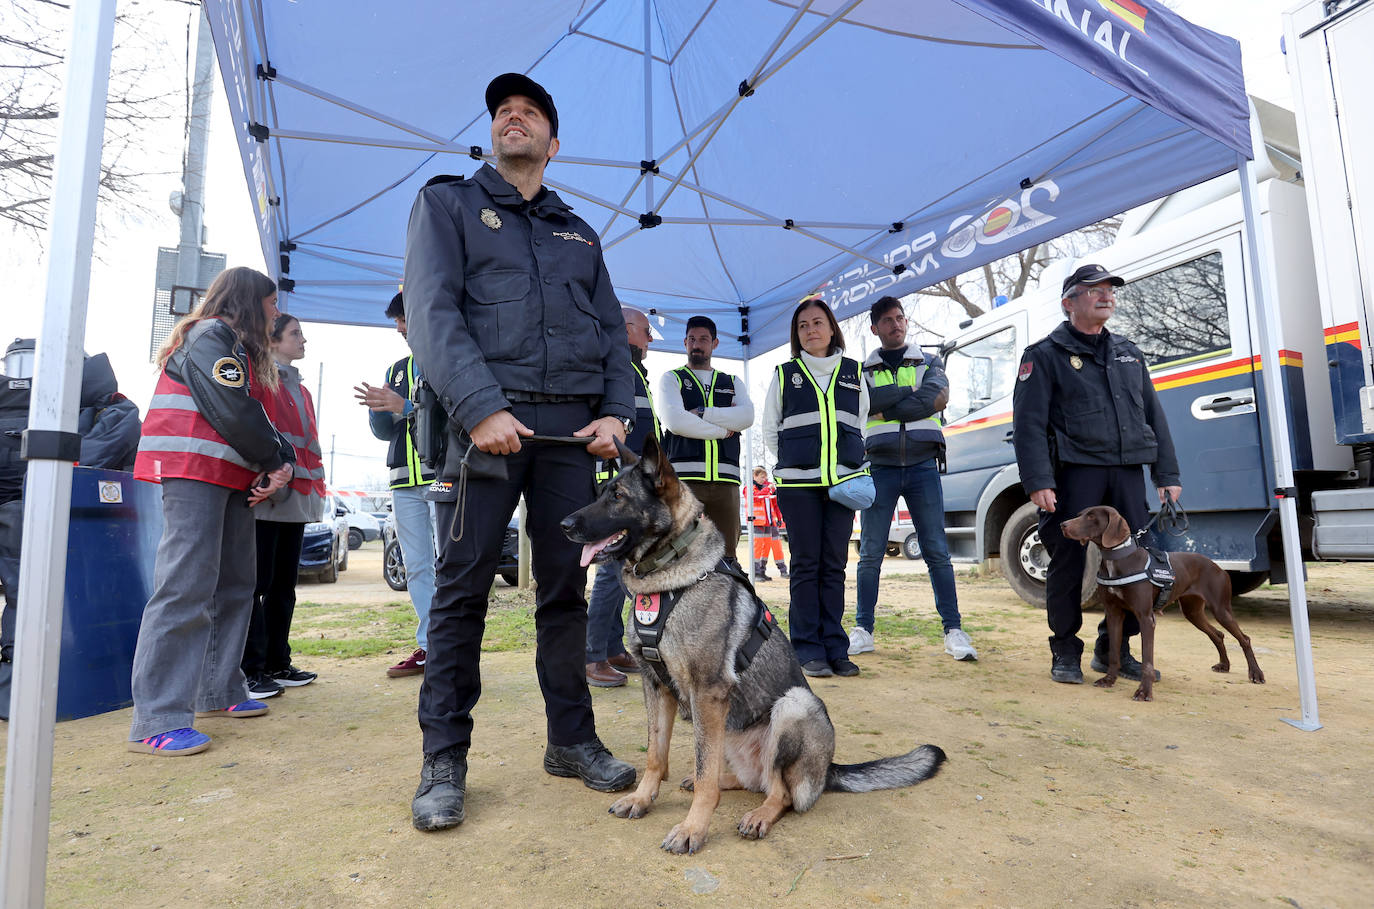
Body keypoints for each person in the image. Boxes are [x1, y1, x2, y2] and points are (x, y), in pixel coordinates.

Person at [403, 72, 637, 831]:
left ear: (552, 143)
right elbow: (433, 311)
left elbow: (610, 335)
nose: (515, 116)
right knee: (463, 590)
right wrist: (477, 408)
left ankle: (571, 740)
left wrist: (614, 413)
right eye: (504, 110)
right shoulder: (448, 205)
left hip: (572, 436)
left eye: (531, 112)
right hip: (487, 433)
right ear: (492, 132)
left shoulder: (581, 232)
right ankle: (444, 758)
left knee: (566, 590)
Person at [127, 267, 295, 755]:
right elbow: (232, 410)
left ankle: (217, 691)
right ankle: (156, 717)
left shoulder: (233, 347)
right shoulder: (209, 335)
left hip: (227, 476)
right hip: (194, 471)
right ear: (247, 300)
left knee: (234, 585)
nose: (276, 311)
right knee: (184, 587)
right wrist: (276, 460)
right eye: (270, 302)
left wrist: (274, 461)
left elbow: (248, 412)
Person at [1012, 263, 1182, 684]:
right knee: (1068, 561)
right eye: (1094, 290)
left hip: (1126, 474)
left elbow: (1153, 415)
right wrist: (1038, 481)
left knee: (1131, 564)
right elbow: (1029, 423)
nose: (1105, 295)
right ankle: (1065, 652)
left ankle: (1114, 651)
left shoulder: (1128, 352)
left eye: (1109, 289)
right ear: (1069, 302)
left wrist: (1167, 473)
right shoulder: (1044, 355)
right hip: (1074, 474)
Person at [1, 343, 142, 719]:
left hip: (64, 519)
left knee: (32, 599)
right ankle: (22, 690)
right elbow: (93, 457)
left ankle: (20, 689)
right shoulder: (110, 409)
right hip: (77, 522)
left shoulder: (105, 409)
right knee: (35, 599)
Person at [852, 296, 977, 661]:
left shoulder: (931, 361)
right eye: (888, 320)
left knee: (937, 551)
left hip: (923, 465)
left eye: (900, 318)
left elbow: (936, 398)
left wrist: (886, 402)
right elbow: (862, 405)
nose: (897, 324)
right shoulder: (862, 372)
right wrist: (908, 394)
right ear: (875, 328)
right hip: (880, 467)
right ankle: (863, 630)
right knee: (870, 552)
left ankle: (954, 630)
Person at [762, 296, 868, 679]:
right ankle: (808, 649)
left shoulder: (854, 372)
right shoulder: (784, 373)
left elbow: (862, 426)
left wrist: (848, 465)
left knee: (834, 566)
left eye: (817, 322)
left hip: (841, 485)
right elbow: (771, 430)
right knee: (805, 566)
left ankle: (836, 648)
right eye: (803, 325)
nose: (810, 330)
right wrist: (793, 464)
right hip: (798, 486)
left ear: (831, 327)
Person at [241, 313, 324, 700]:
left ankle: (277, 662)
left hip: (296, 499)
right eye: (295, 334)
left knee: (283, 587)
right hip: (270, 496)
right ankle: (251, 669)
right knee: (258, 584)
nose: (303, 341)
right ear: (272, 340)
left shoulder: (300, 390)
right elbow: (259, 434)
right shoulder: (261, 380)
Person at [354, 292, 437, 679]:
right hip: (403, 481)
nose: (399, 328)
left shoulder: (448, 357)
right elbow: (384, 431)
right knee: (417, 567)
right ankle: (428, 646)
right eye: (396, 322)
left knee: (451, 566)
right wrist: (379, 410)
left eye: (402, 319)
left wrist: (405, 406)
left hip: (444, 477)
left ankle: (453, 645)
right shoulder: (397, 368)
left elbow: (452, 414)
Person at [584, 307, 657, 688]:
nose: (650, 340)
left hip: (630, 487)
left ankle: (611, 647)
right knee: (612, 574)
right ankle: (592, 656)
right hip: (615, 486)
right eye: (646, 332)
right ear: (628, 330)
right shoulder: (613, 369)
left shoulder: (634, 374)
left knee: (614, 567)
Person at [657, 316, 754, 557]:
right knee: (679, 554)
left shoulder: (731, 382)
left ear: (715, 343)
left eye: (703, 339)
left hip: (727, 482)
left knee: (726, 555)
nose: (696, 344)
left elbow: (746, 417)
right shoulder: (672, 378)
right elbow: (676, 422)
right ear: (684, 343)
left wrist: (702, 413)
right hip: (684, 483)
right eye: (691, 339)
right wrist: (723, 430)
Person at [745, 466, 787, 582]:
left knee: (765, 548)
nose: (764, 479)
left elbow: (775, 505)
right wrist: (767, 489)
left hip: (768, 522)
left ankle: (762, 571)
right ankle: (756, 573)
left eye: (765, 477)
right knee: (757, 548)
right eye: (762, 477)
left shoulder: (766, 488)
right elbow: (755, 498)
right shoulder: (749, 488)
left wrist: (779, 518)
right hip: (757, 522)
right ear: (755, 476)